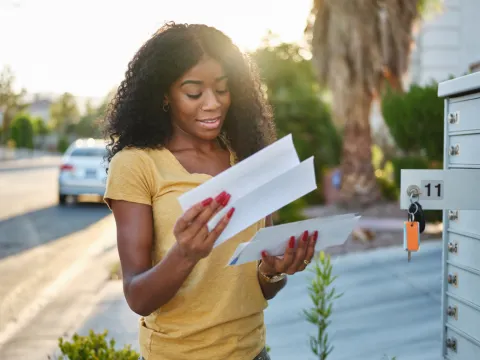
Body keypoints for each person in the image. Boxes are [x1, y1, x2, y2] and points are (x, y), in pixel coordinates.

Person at [103, 22, 318, 360]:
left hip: (251, 352)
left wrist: (274, 270)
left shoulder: (249, 158)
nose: (212, 104)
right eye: (194, 93)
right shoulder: (137, 165)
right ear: (164, 94)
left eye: (222, 89)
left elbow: (260, 285)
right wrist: (185, 254)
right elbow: (137, 296)